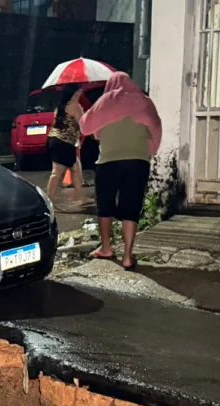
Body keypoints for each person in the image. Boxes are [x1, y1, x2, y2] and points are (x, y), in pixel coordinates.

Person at [79, 72, 162, 271]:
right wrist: (149, 149)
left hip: (108, 161)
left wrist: (82, 113)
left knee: (105, 205)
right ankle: (127, 256)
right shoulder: (144, 101)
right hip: (137, 161)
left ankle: (106, 248)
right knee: (131, 207)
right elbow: (156, 128)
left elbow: (86, 127)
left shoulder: (105, 101)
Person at [45, 83, 85, 208]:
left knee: (75, 169)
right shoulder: (75, 107)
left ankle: (80, 198)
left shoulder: (60, 106)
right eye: (79, 92)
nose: (80, 94)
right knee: (57, 172)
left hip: (55, 140)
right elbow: (83, 124)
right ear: (74, 94)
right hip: (64, 142)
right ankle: (48, 201)